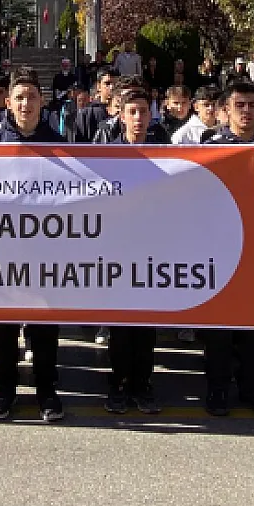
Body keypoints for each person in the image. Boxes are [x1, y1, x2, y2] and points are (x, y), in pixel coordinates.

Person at [199, 80, 254, 417]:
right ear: (226, 110)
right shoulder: (210, 146)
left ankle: (252, 387)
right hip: (219, 247)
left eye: (252, 104)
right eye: (240, 105)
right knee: (219, 323)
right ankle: (217, 387)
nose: (247, 111)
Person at [0, 71, 66, 422]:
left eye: (31, 96)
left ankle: (47, 392)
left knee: (45, 325)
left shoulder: (60, 144)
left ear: (41, 101)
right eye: (19, 97)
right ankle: (5, 391)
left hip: (45, 251)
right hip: (4, 249)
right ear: (7, 102)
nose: (25, 103)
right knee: (4, 326)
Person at [99, 88, 168, 413]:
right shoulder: (107, 155)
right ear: (121, 116)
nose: (138, 118)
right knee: (121, 326)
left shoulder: (167, 156)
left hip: (152, 250)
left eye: (143, 111)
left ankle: (143, 384)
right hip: (118, 251)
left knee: (145, 326)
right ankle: (118, 383)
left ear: (151, 115)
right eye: (132, 112)